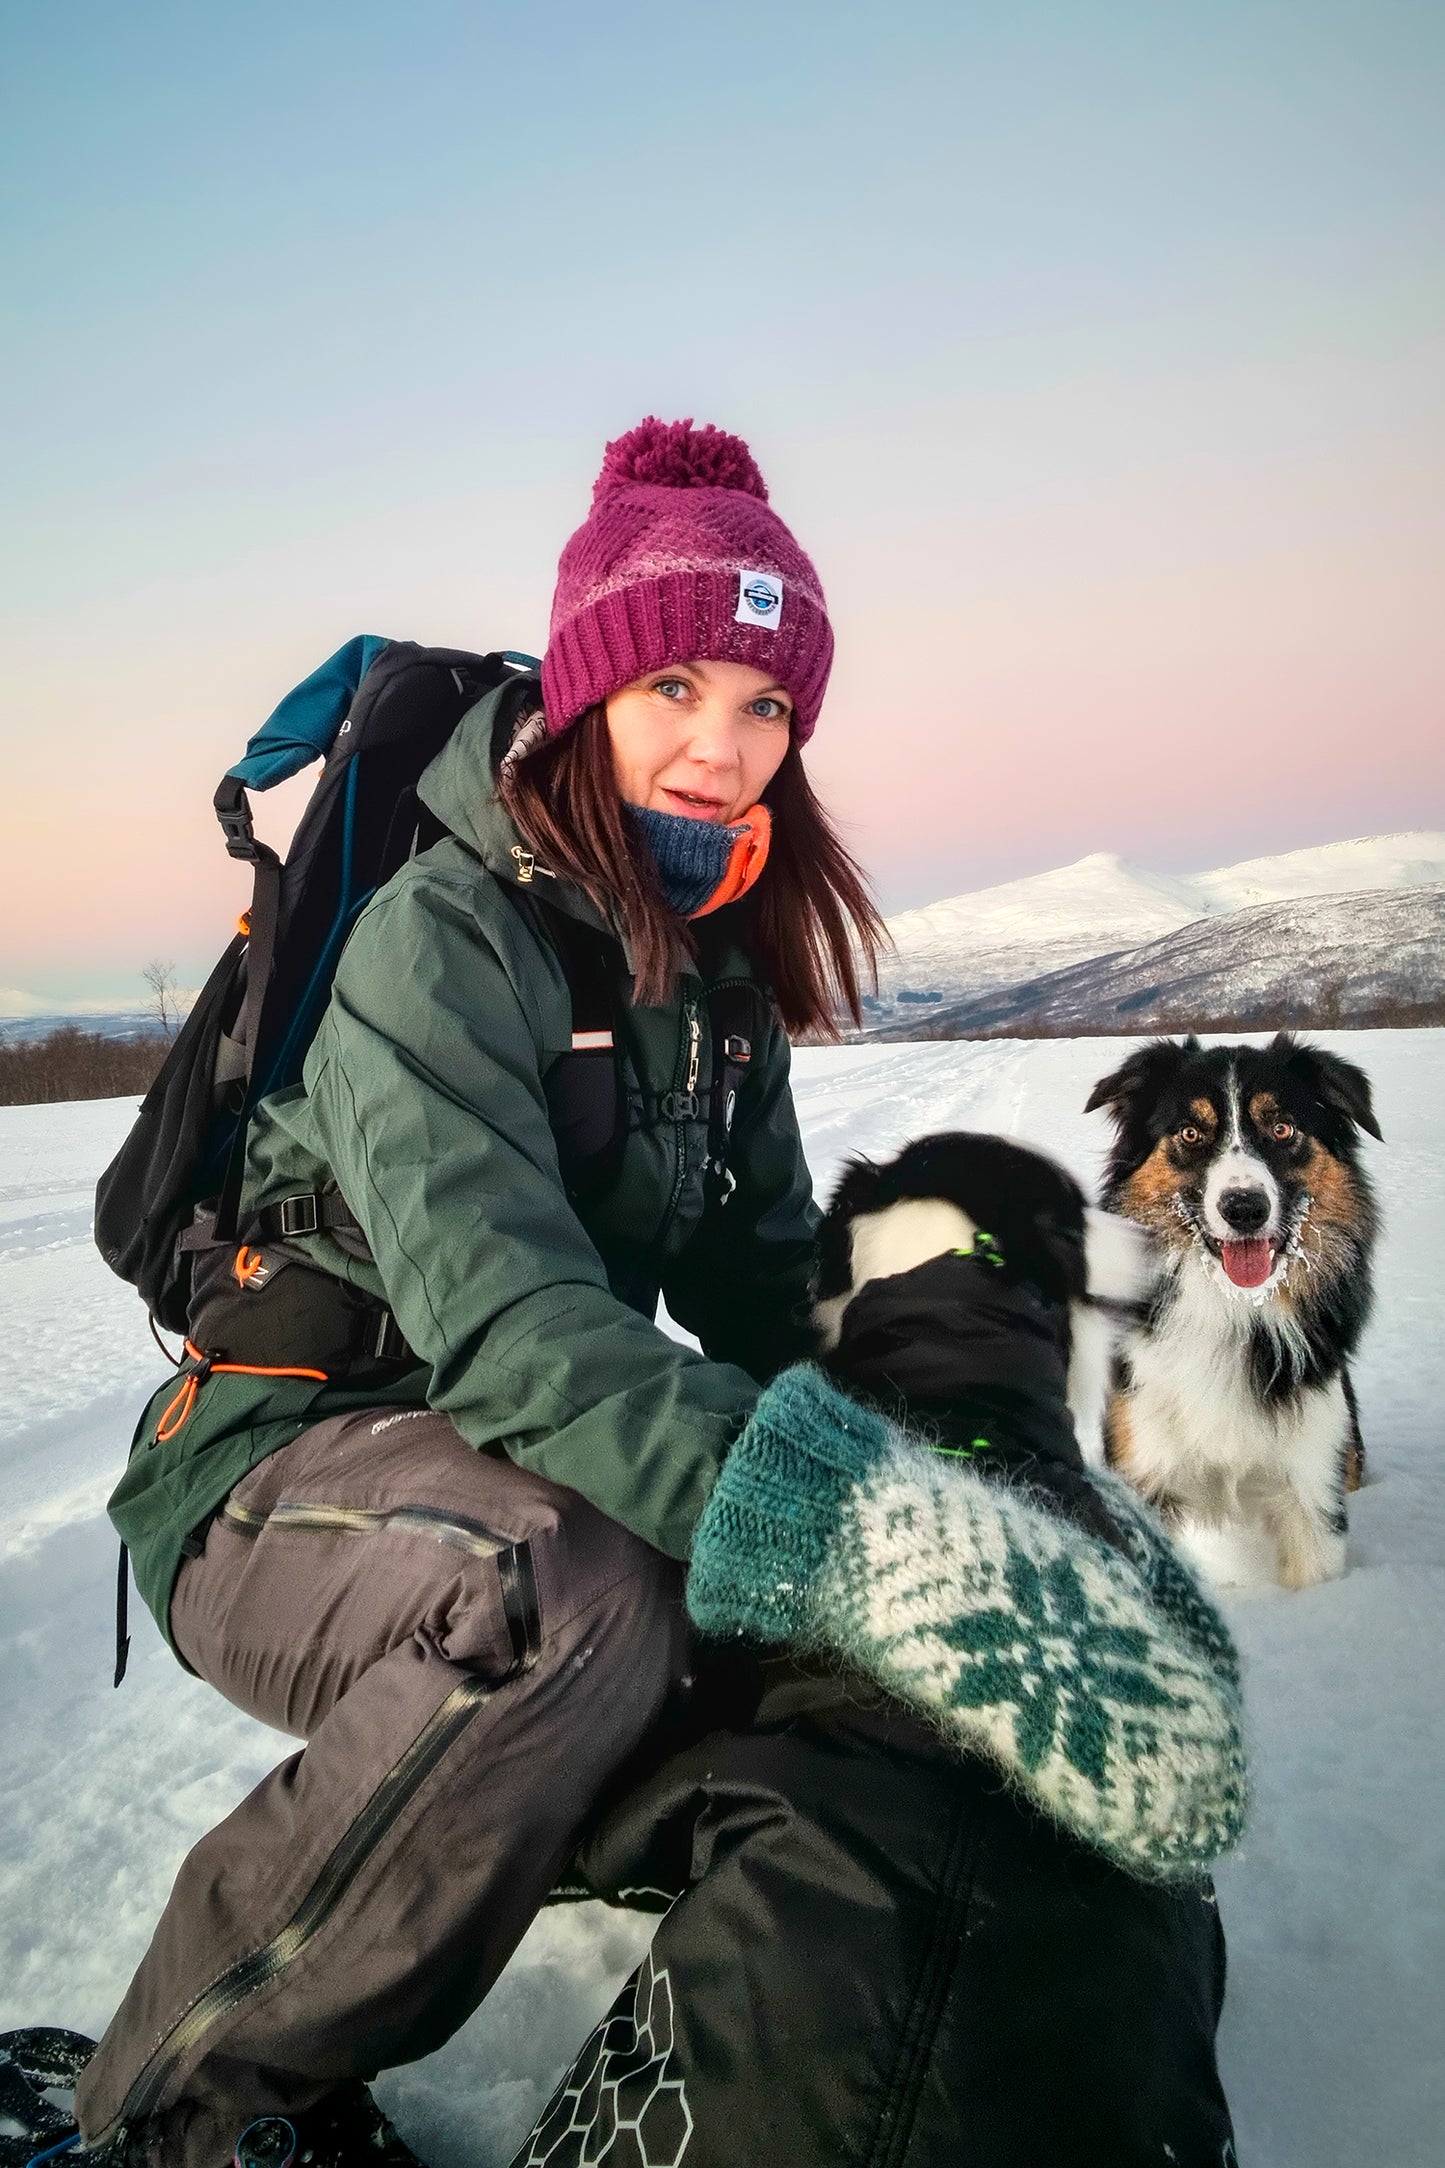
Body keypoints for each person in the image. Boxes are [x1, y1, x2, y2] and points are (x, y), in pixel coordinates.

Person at [67, 419, 1239, 2168]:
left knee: (761, 1607)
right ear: (588, 687)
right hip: (273, 1471)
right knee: (580, 1584)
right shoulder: (442, 939)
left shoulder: (713, 972)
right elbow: (525, 1334)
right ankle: (182, 2110)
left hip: (485, 1450)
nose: (723, 743)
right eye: (678, 682)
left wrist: (986, 1484)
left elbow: (769, 1287)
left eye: (765, 703)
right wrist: (860, 1530)